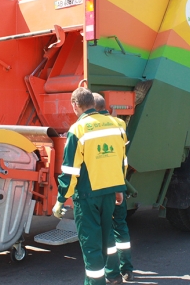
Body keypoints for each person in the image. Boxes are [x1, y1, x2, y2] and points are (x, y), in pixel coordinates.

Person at [53, 88, 127, 285]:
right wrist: (119, 188)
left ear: (75, 105)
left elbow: (70, 170)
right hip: (110, 192)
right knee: (107, 237)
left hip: (87, 196)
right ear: (93, 104)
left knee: (91, 244)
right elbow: (121, 161)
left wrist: (61, 199)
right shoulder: (116, 125)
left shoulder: (78, 129)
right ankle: (113, 274)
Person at [92, 93, 134, 282]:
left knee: (106, 231)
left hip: (103, 186)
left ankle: (113, 274)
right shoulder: (119, 125)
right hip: (119, 182)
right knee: (121, 227)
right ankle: (127, 269)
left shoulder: (91, 126)